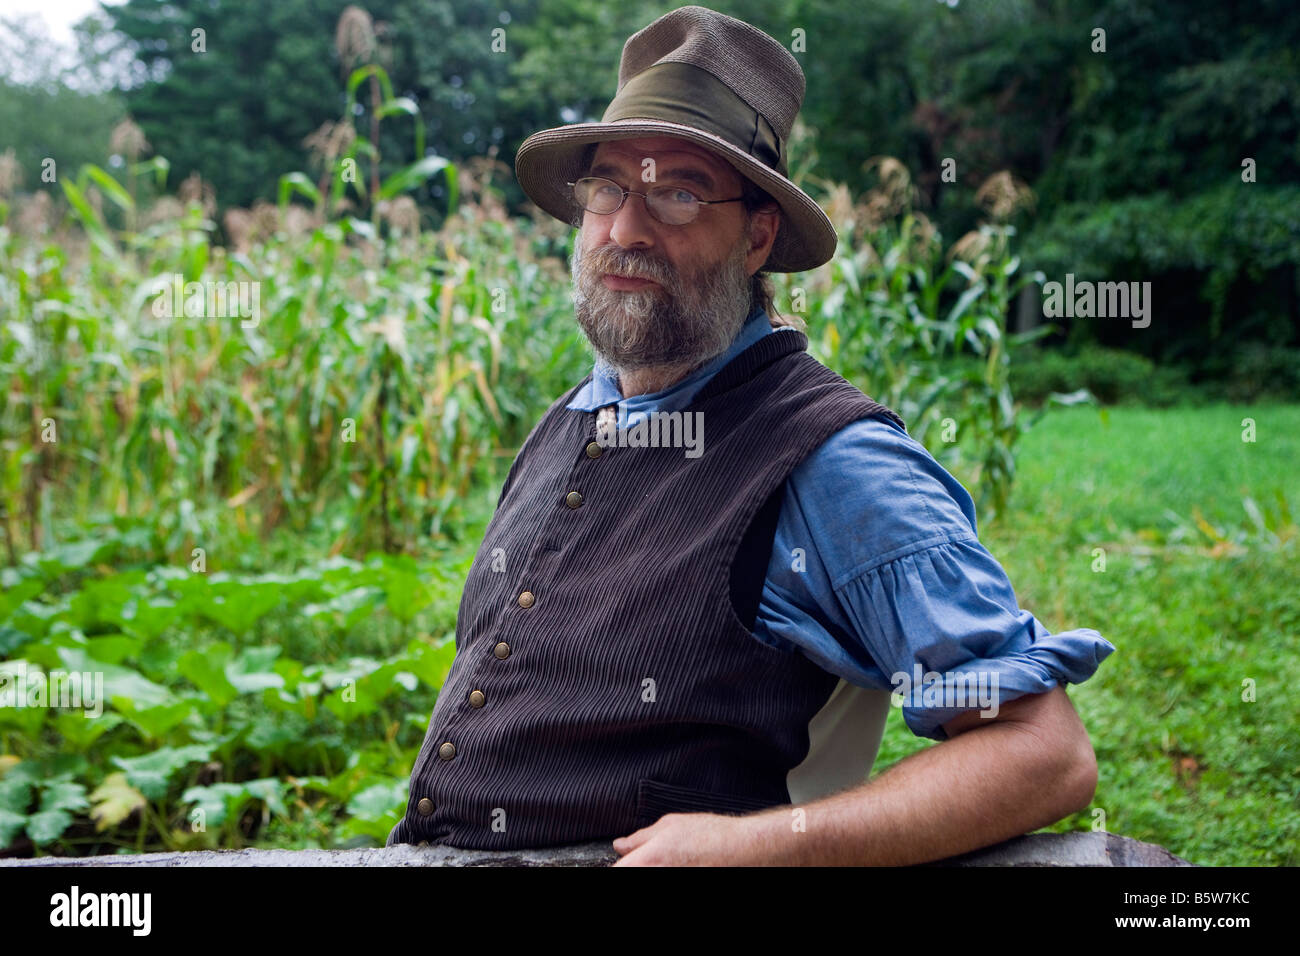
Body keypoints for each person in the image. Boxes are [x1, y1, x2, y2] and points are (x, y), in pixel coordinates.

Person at [387, 4, 1114, 866]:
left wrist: (766, 846)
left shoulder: (833, 461)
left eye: (679, 193)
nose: (624, 229)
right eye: (608, 188)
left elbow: (1043, 754)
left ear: (757, 237)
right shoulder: (574, 416)